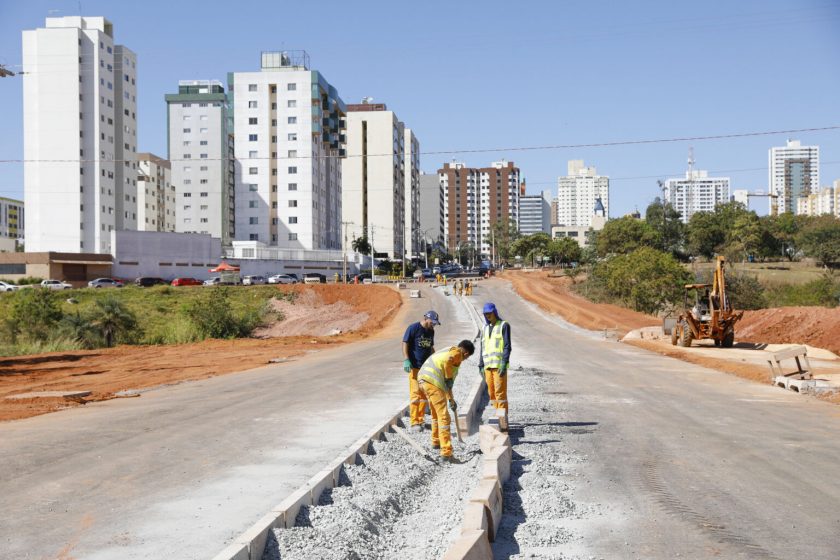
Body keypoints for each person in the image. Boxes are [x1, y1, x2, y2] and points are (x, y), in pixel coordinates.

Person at [418, 340, 475, 460]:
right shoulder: (457, 353)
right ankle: (446, 452)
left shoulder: (448, 349)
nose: (463, 360)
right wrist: (449, 378)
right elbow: (448, 363)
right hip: (432, 383)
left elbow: (447, 385)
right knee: (444, 417)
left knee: (435, 414)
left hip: (424, 381)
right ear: (466, 354)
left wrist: (451, 400)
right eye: (466, 357)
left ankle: (436, 441)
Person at [402, 311, 439, 430]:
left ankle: (421, 419)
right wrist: (406, 360)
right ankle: (414, 422)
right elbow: (405, 344)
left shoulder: (431, 331)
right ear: (426, 319)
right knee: (415, 395)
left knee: (424, 395)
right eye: (432, 322)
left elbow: (431, 347)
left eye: (435, 323)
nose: (433, 325)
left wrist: (435, 360)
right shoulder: (413, 328)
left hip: (425, 369)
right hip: (414, 367)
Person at [478, 302, 512, 415]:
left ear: (494, 313)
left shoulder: (503, 325)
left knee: (500, 393)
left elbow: (507, 346)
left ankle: (502, 419)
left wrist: (504, 362)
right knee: (491, 393)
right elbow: (482, 347)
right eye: (486, 314)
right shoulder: (484, 328)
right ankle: (497, 414)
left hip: (499, 366)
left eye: (489, 313)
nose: (488, 316)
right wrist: (481, 364)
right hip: (488, 366)